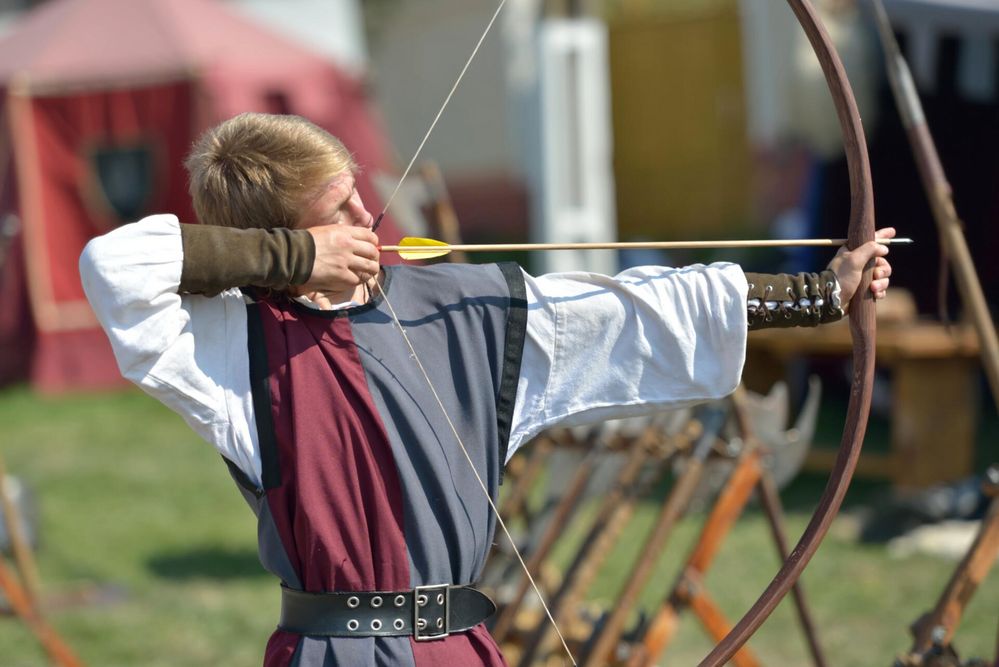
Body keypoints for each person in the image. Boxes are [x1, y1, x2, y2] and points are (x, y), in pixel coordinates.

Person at [79, 112, 893, 667]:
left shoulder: (465, 309)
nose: (368, 217)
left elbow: (644, 309)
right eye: (337, 211)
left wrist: (820, 294)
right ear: (282, 237)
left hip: (460, 648)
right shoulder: (230, 342)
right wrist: (295, 265)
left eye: (357, 194)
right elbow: (113, 266)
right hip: (331, 652)